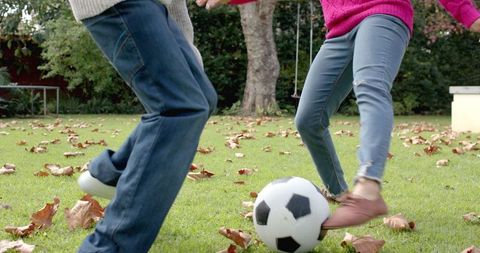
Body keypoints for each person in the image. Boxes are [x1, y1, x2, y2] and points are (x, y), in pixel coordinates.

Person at [200, 0, 480, 229]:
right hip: (338, 30)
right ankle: (342, 194)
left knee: (370, 86)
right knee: (308, 118)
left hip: (383, 13)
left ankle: (368, 190)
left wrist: (469, 14)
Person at [67, 0, 250, 252]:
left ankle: (113, 174)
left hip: (156, 7)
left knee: (201, 100)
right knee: (180, 108)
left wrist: (185, 53)